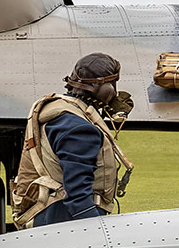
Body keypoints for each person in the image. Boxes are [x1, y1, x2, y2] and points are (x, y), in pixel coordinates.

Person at [9, 53, 133, 228]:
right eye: (111, 84)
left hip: (47, 214)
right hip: (64, 220)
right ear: (102, 87)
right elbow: (78, 198)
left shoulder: (61, 111)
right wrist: (98, 233)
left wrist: (102, 109)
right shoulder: (79, 130)